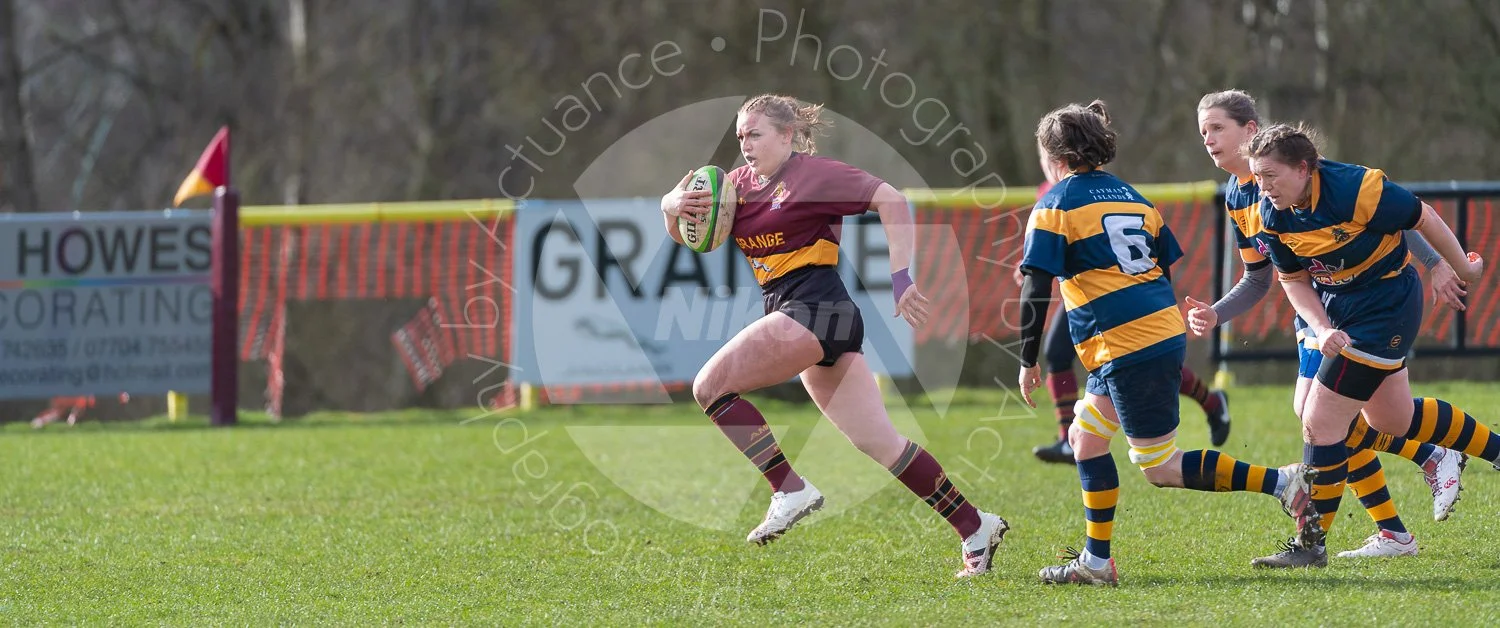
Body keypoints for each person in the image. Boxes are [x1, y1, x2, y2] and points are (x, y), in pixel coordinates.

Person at [659, 94, 1009, 578]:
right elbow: (690, 235)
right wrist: (669, 204)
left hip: (817, 307)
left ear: (786, 136)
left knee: (709, 387)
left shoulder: (815, 176)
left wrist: (901, 276)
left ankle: (789, 488)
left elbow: (892, 199)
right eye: (740, 136)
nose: (745, 144)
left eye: (755, 134)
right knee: (879, 442)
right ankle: (976, 526)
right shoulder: (734, 186)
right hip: (803, 312)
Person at [1016, 100, 1317, 586]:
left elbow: (1034, 286)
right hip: (1145, 334)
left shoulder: (1055, 202)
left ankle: (1282, 482)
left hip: (1123, 345)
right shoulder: (1133, 197)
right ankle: (1096, 562)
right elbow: (1162, 263)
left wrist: (1027, 360)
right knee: (1084, 439)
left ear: (1057, 155)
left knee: (1159, 466)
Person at [1184, 90, 1467, 565]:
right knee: (1345, 419)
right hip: (1320, 306)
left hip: (1367, 301)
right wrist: (1217, 313)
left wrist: (1437, 262)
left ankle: (1335, 536)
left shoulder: (1303, 173)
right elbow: (1263, 280)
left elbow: (1395, 217)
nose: (1208, 140)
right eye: (1202, 132)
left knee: (1324, 418)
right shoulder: (1243, 197)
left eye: (1216, 128)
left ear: (1249, 131)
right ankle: (1405, 506)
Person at [1245, 122, 1497, 567]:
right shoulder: (1270, 214)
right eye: (1257, 177)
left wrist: (1459, 267)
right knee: (1393, 420)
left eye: (1270, 175)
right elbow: (1292, 280)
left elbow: (1422, 217)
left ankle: (1310, 544)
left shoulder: (1356, 187)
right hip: (1339, 309)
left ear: (1304, 168)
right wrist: (1321, 328)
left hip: (1386, 304)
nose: (1263, 187)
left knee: (1320, 421)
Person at [1019, 147, 1231, 465]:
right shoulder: (1066, 192)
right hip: (1088, 291)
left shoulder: (1067, 196)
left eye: (1045, 156)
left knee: (1160, 464)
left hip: (1113, 291)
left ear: (1059, 157)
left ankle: (1216, 407)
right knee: (1060, 352)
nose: (1044, 164)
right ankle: (1068, 438)